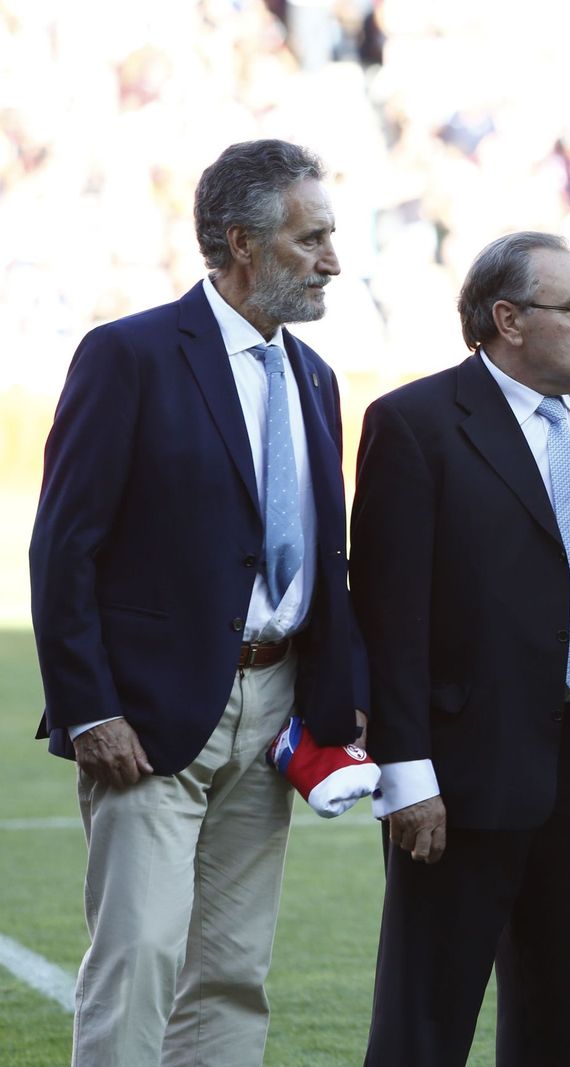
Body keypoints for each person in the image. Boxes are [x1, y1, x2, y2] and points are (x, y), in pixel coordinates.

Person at [29, 138, 367, 1066]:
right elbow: (65, 546)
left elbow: (321, 559)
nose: (333, 260)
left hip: (275, 708)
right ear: (241, 243)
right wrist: (90, 705)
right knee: (138, 955)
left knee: (231, 968)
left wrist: (338, 693)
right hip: (146, 712)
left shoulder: (315, 377)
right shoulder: (127, 355)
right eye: (313, 239)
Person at [352, 231, 570, 1065]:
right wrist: (406, 773)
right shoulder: (416, 424)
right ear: (507, 318)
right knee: (423, 1027)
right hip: (461, 782)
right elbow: (388, 618)